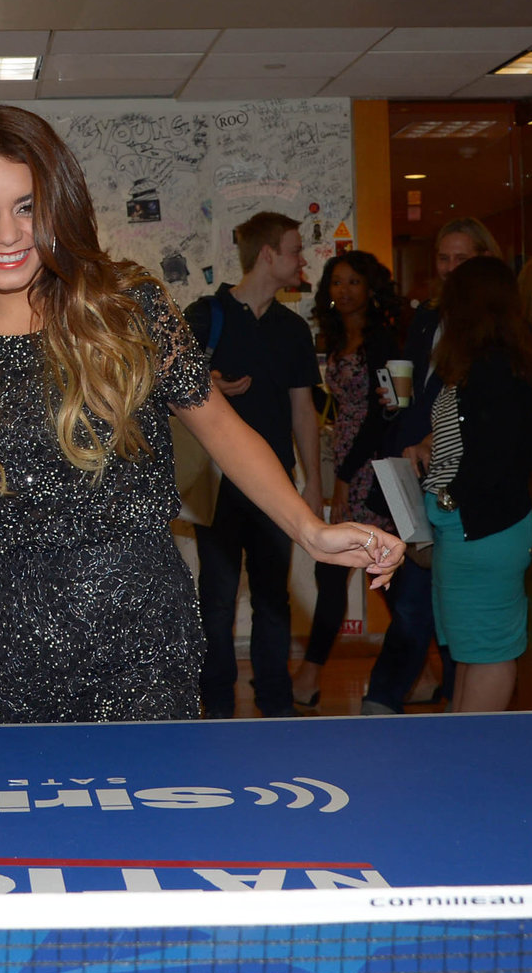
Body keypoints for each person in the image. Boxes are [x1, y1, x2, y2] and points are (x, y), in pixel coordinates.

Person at [0, 105, 403, 726]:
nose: (6, 234)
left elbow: (222, 430)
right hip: (4, 649)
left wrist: (310, 530)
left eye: (27, 206)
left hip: (141, 642)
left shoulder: (127, 307)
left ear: (61, 206)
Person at [184, 212, 326, 719]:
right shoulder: (205, 315)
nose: (302, 259)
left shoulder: (292, 329)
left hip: (276, 487)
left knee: (273, 600)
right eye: (294, 249)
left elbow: (303, 411)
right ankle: (217, 706)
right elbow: (171, 390)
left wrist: (311, 485)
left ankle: (276, 706)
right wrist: (209, 385)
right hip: (216, 488)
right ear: (268, 254)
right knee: (217, 603)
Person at [363, 216, 500, 715]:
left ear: (484, 258)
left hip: (456, 474)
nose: (449, 268)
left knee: (433, 601)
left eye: (461, 258)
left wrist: (429, 433)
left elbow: (480, 406)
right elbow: (420, 394)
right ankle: (425, 700)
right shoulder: (427, 318)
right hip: (413, 467)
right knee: (418, 595)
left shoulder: (491, 327)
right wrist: (394, 403)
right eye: (443, 258)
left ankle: (394, 699)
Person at [420, 258, 532, 713]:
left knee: (488, 652)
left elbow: (493, 459)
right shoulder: (488, 366)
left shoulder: (494, 370)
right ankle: (463, 750)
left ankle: (471, 758)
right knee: (472, 651)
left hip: (481, 528)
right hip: (474, 528)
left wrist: (450, 500)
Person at [292, 250, 400, 710]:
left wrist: (345, 473)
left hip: (371, 469)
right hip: (348, 462)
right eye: (337, 282)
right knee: (375, 574)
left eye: (354, 281)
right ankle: (424, 671)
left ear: (371, 287)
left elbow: (381, 416)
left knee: (366, 571)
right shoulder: (336, 337)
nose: (344, 290)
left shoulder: (384, 340)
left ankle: (309, 675)